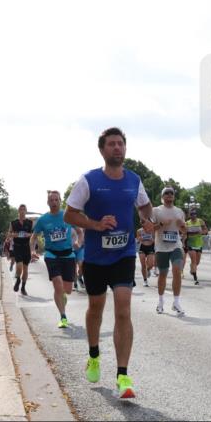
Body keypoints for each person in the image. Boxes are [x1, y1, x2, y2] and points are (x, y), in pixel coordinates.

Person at [64, 127, 154, 399]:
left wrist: (146, 218)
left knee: (124, 308)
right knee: (96, 307)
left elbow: (145, 205)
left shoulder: (134, 180)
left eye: (121, 144)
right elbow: (70, 215)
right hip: (95, 256)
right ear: (102, 150)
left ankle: (123, 375)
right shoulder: (89, 181)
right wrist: (95, 224)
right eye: (112, 144)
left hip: (124, 253)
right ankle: (93, 354)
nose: (117, 148)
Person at [32, 191, 80, 328]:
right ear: (48, 203)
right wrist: (32, 250)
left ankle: (62, 295)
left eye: (56, 200)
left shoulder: (68, 216)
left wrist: (78, 242)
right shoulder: (43, 220)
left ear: (60, 201)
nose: (54, 202)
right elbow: (34, 237)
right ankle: (63, 316)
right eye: (51, 200)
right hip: (51, 255)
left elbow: (80, 232)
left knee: (68, 290)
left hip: (68, 255)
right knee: (58, 285)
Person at [151, 186, 187, 315]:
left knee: (177, 271)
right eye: (166, 193)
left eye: (171, 193)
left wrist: (182, 226)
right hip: (161, 247)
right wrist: (161, 224)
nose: (169, 195)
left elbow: (184, 231)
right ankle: (160, 302)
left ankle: (176, 303)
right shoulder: (156, 210)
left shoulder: (179, 211)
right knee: (163, 274)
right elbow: (150, 228)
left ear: (174, 196)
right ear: (162, 196)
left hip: (176, 246)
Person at [10, 204, 35, 295]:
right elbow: (9, 234)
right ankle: (17, 280)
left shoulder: (30, 222)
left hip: (26, 247)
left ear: (26, 211)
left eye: (24, 209)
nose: (22, 211)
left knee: (25, 269)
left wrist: (28, 235)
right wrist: (13, 235)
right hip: (17, 246)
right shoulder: (13, 222)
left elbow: (33, 234)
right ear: (18, 211)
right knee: (19, 266)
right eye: (21, 209)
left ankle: (23, 288)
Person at [184, 207, 208, 285]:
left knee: (197, 262)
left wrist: (201, 232)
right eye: (191, 214)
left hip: (199, 244)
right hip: (190, 244)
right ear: (189, 215)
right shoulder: (187, 223)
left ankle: (192, 269)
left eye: (194, 214)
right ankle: (195, 278)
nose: (193, 215)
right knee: (194, 260)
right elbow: (184, 232)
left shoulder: (200, 221)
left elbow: (206, 230)